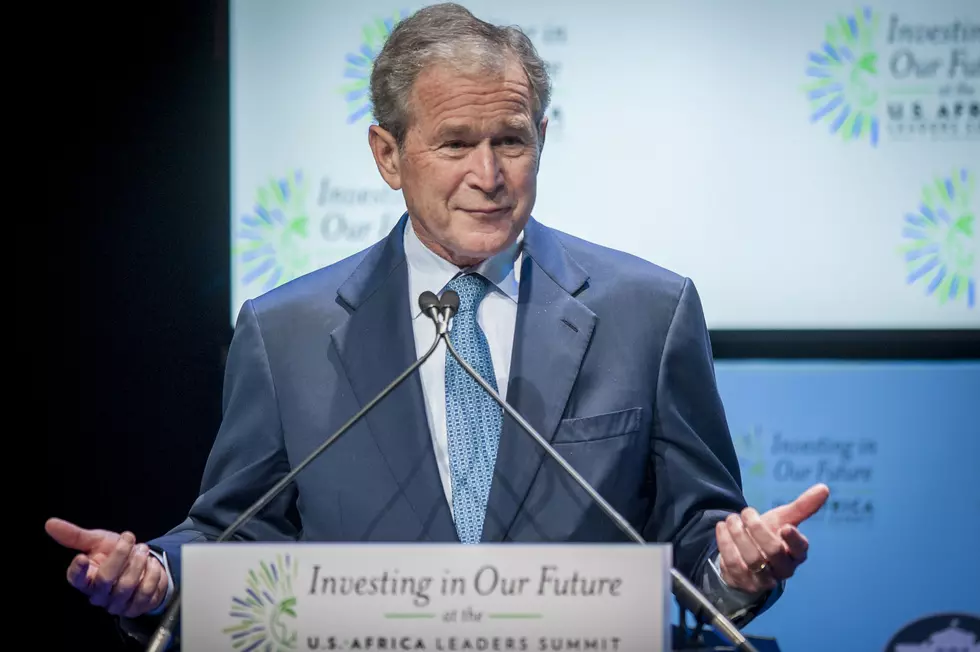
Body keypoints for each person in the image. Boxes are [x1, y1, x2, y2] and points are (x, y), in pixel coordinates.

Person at [46, 1, 829, 642]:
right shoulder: (284, 332)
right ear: (388, 156)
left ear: (542, 140)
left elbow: (699, 542)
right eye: (456, 144)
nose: (488, 177)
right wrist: (157, 574)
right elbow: (236, 542)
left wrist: (736, 567)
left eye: (511, 143)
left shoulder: (647, 313)